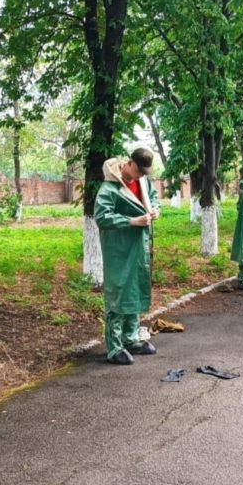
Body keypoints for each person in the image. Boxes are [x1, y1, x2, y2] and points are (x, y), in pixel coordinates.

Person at [94, 147, 161, 364]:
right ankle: (114, 346)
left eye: (144, 172)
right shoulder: (109, 187)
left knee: (134, 289)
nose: (141, 175)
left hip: (138, 246)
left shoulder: (143, 182)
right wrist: (131, 221)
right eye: (139, 170)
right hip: (119, 248)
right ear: (130, 163)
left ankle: (131, 338)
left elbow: (153, 198)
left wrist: (155, 210)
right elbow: (102, 217)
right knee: (119, 291)